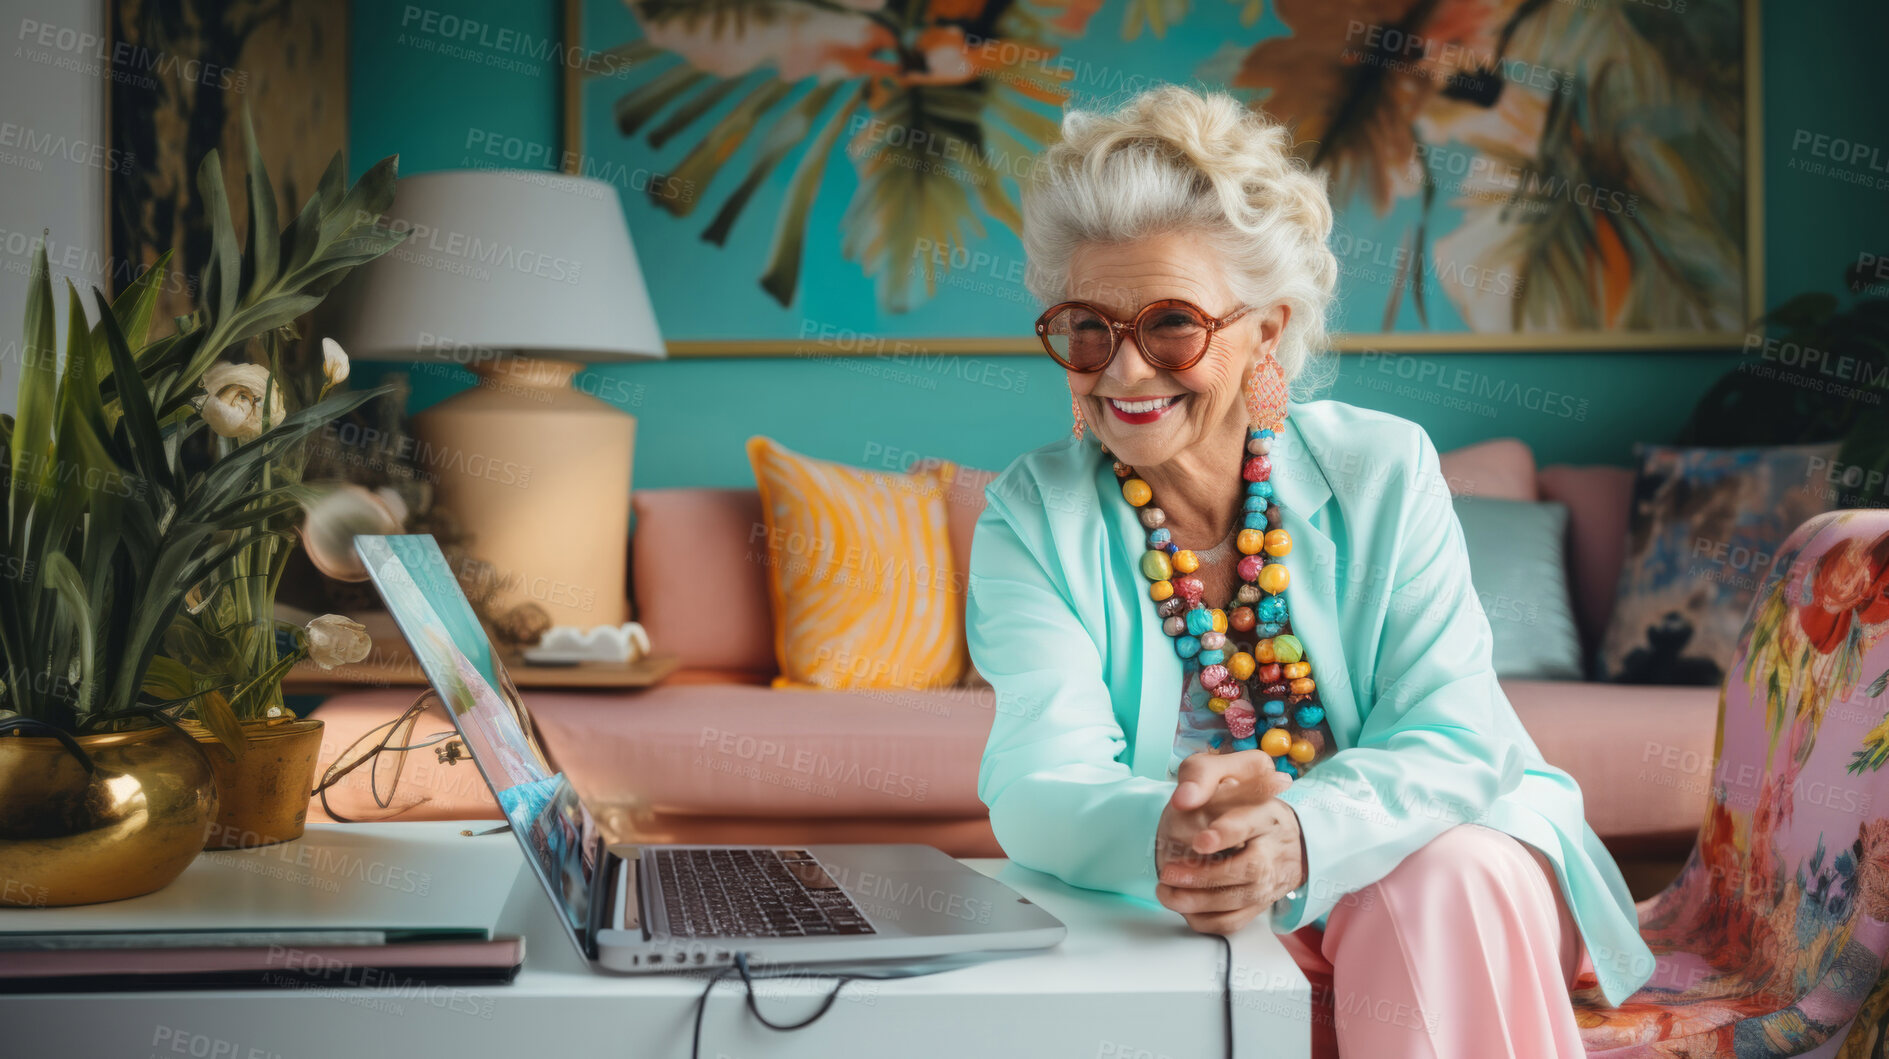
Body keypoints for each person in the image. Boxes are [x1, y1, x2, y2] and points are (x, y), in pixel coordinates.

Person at [967, 86, 1652, 1058]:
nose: (1120, 373)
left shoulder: (1382, 466)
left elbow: (1454, 734)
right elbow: (1038, 778)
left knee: (1433, 879)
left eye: (1169, 325)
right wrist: (1175, 839)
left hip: (1451, 850)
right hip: (1206, 888)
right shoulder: (1034, 512)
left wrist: (1297, 834)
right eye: (1085, 326)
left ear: (1265, 332)